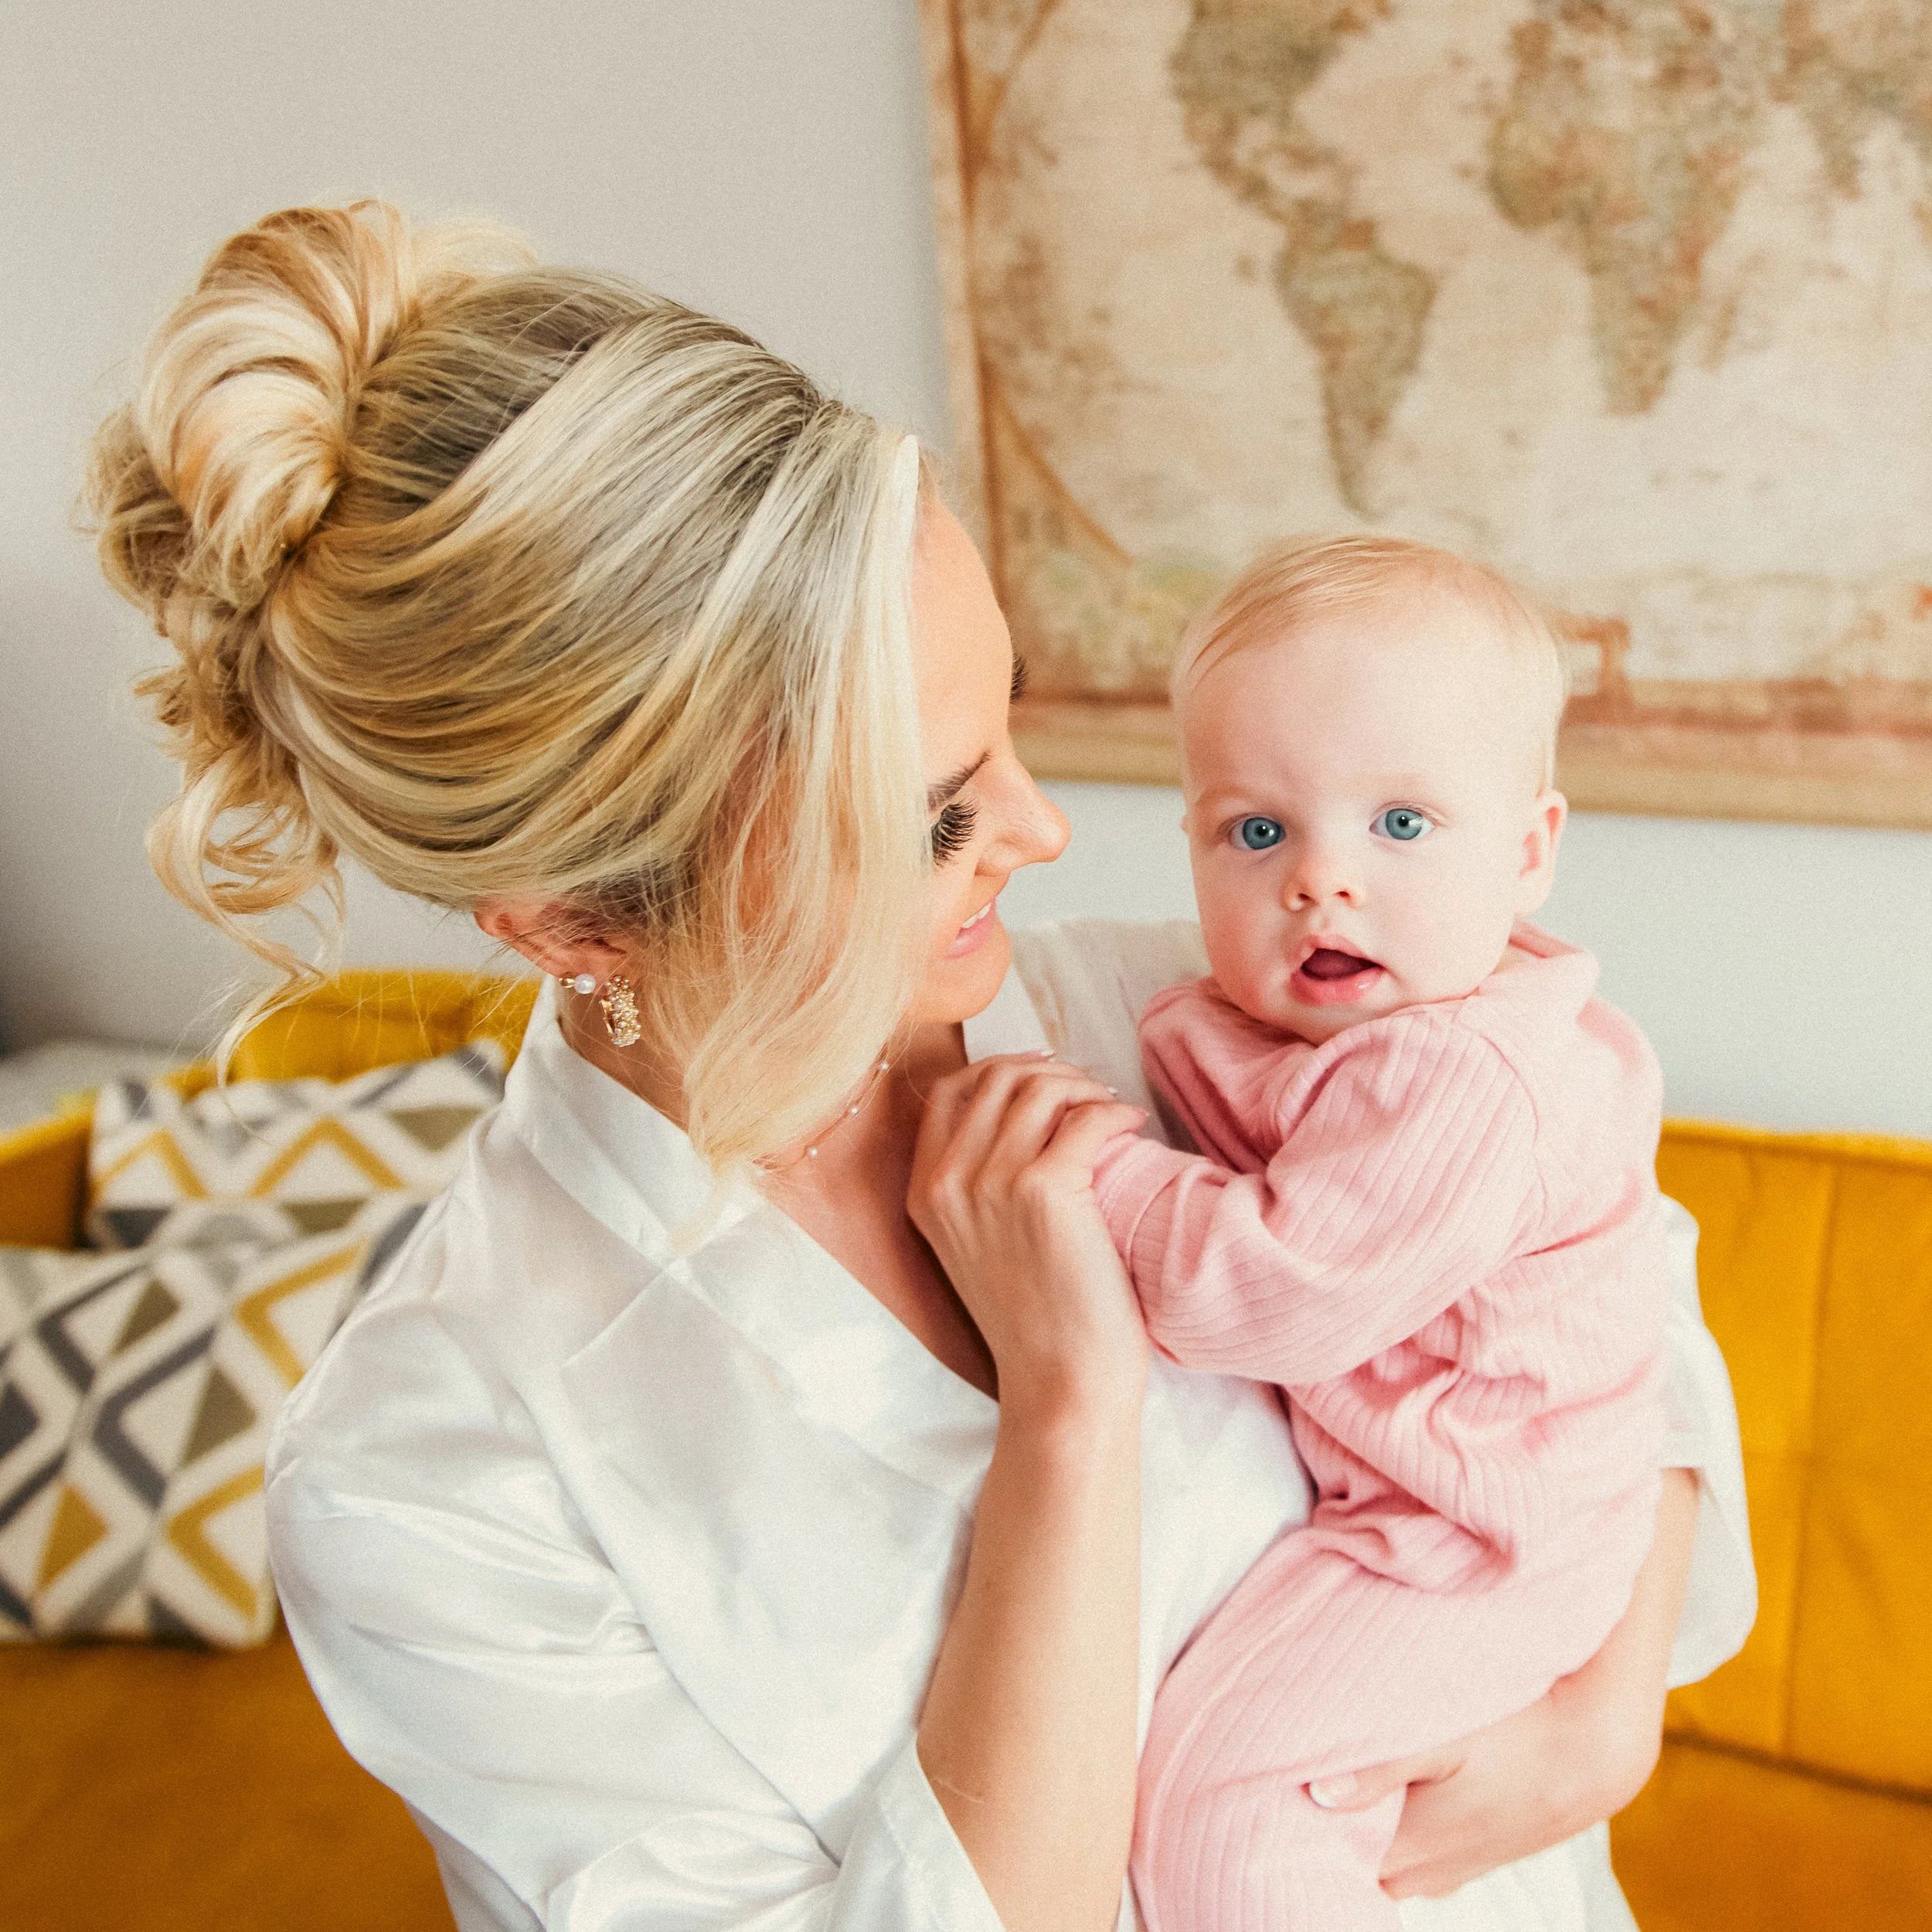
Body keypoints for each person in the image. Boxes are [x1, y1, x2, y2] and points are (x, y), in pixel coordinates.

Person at [85, 202, 1752, 1932]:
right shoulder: (435, 1470)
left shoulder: (1161, 1007)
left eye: (1005, 726)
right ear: (574, 919)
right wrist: (1067, 1415)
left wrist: (1604, 1700)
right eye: (934, 814)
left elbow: (1591, 1245)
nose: (1037, 831)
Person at [1090, 537, 1673, 1930]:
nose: (1320, 880)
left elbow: (1267, 1293)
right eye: (1256, 831)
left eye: (1400, 825)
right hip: (1449, 1510)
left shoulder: (1466, 1077)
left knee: (1226, 1796)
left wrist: (1101, 1171)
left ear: (1530, 852)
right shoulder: (1360, 1027)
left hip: (1470, 1541)